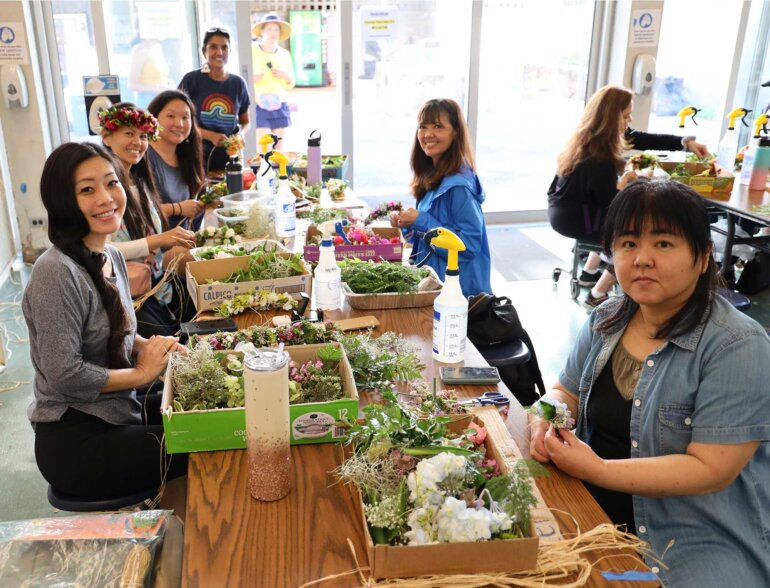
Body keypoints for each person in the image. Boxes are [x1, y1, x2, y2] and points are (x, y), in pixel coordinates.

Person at [530, 179, 770, 587]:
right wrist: (543, 417)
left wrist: (597, 469)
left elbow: (711, 470)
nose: (642, 259)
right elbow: (563, 390)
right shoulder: (608, 317)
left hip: (693, 539)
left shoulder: (738, 345)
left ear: (702, 256)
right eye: (628, 243)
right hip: (591, 511)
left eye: (663, 243)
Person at [22, 142, 188, 501]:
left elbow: (118, 329)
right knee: (199, 442)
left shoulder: (109, 254)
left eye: (111, 183)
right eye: (87, 190)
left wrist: (155, 349)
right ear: (62, 201)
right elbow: (65, 374)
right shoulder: (56, 272)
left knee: (200, 408)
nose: (106, 198)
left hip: (119, 411)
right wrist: (142, 374)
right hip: (77, 440)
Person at [548, 85, 710, 308]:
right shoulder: (598, 158)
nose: (629, 120)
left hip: (565, 213)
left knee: (625, 225)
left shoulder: (587, 139)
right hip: (578, 220)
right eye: (626, 116)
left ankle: (589, 273)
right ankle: (596, 294)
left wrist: (685, 143)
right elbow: (611, 205)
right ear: (611, 118)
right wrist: (624, 185)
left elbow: (641, 138)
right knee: (633, 235)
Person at [99, 103, 196, 337]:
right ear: (106, 137)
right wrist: (158, 240)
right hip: (130, 294)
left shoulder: (140, 182)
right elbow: (104, 249)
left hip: (158, 284)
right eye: (129, 133)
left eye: (143, 136)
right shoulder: (102, 191)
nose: (137, 142)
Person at [390, 98, 491, 297]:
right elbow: (426, 239)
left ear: (456, 132)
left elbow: (468, 246)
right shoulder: (432, 176)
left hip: (458, 293)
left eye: (438, 126)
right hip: (435, 286)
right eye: (423, 126)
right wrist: (406, 224)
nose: (428, 134)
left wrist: (421, 221)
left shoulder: (458, 186)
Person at [179, 27, 250, 173]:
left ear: (230, 51)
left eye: (224, 47)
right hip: (196, 156)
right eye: (213, 47)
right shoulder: (191, 80)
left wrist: (240, 135)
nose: (219, 52)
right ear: (203, 51)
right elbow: (179, 120)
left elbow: (245, 121)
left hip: (230, 158)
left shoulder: (238, 83)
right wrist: (209, 135)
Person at [147, 90, 205, 230]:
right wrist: (178, 208)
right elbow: (137, 211)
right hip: (156, 242)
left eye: (185, 117)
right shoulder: (143, 156)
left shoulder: (188, 155)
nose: (179, 124)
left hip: (184, 240)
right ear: (154, 118)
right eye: (171, 116)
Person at [252, 13, 295, 151]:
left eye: (276, 29)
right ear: (262, 31)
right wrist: (253, 77)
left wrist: (284, 75)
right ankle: (263, 166)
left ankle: (277, 167)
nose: (273, 32)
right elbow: (242, 77)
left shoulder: (284, 54)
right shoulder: (252, 51)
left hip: (280, 104)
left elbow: (291, 82)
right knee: (264, 149)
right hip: (259, 105)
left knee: (278, 150)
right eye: (269, 29)